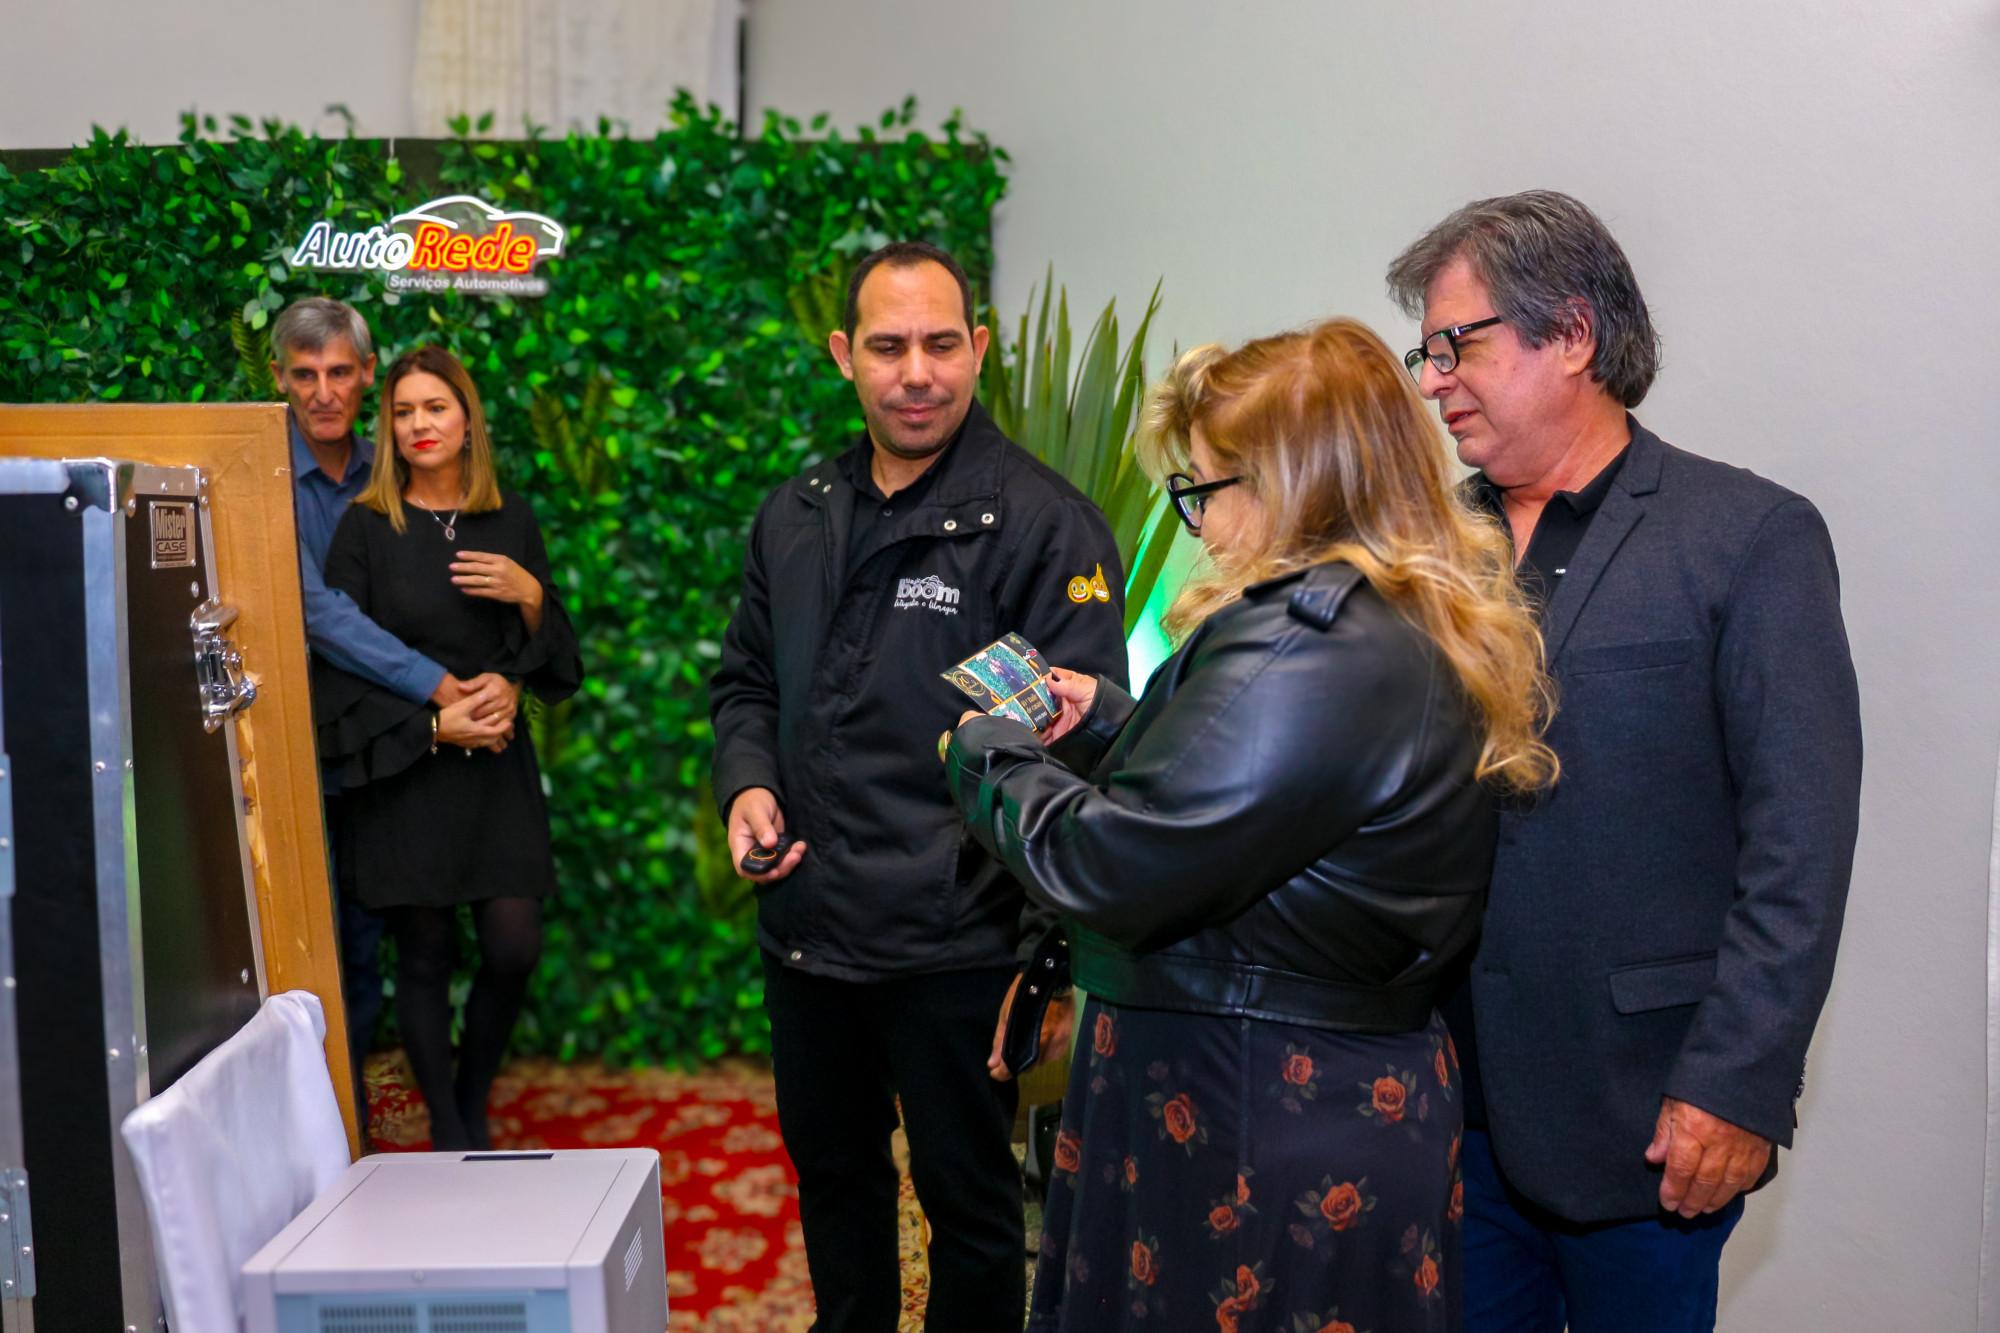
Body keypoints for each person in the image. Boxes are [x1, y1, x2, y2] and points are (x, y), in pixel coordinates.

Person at [944, 317, 1559, 1333]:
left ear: (1290, 483)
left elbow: (1114, 870)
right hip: (1298, 1095)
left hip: (1251, 1115)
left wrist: (986, 757)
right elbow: (1267, 812)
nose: (1198, 521)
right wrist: (1108, 725)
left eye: (1203, 488)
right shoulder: (1380, 618)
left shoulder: (1306, 645)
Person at [1385, 191, 1863, 1332]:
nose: (1434, 381)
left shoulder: (1745, 536)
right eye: (1425, 353)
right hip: (1440, 1108)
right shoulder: (1419, 550)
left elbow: (1798, 842)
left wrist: (1735, 1083)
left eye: (1456, 345)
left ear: (1570, 334)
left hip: (1644, 1120)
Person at [708, 240, 1131, 1332]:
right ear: (843, 355)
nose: (916, 373)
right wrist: (745, 785)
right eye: (888, 346)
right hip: (808, 934)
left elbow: (1077, 766)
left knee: (971, 1213)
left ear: (978, 349)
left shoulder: (1045, 525)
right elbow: (746, 682)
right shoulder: (793, 513)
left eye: (941, 344)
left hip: (962, 948)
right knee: (834, 1183)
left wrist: (1046, 962)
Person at [312, 343, 581, 1152]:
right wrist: (435, 722)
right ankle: (452, 1125)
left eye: (435, 407)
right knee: (424, 953)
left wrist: (528, 605)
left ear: (468, 420)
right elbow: (336, 672)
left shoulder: (512, 518)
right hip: (408, 766)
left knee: (513, 945)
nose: (418, 424)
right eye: (402, 411)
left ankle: (472, 1088)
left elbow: (553, 659)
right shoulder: (366, 528)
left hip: (495, 765)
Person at [271, 298, 519, 1127]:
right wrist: (441, 687)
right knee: (331, 945)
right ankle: (337, 1136)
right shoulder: (265, 474)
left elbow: (457, 608)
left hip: (401, 748)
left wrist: (497, 681)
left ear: (367, 375)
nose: (323, 392)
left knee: (380, 941)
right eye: (305, 375)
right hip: (310, 735)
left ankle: (372, 1124)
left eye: (340, 372)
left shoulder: (398, 473)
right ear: (279, 380)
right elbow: (318, 613)